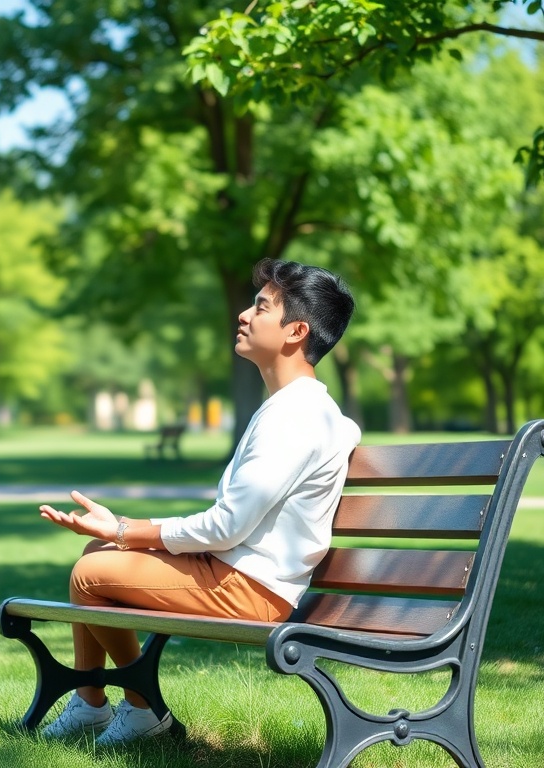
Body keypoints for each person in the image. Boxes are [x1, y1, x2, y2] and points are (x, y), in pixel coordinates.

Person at [38, 258, 361, 745]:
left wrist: (125, 530)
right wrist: (122, 532)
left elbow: (227, 526)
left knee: (92, 572)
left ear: (296, 331)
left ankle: (137, 708)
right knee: (95, 560)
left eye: (261, 307)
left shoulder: (296, 417)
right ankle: (94, 704)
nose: (244, 316)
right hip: (238, 572)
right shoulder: (295, 408)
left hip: (250, 588)